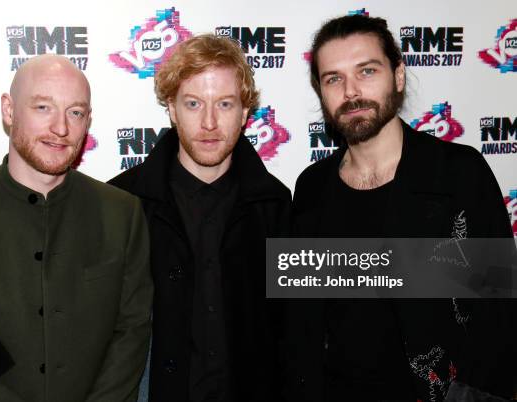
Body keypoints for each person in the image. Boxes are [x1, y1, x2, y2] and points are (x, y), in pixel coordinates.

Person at [286, 14, 515, 402]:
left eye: (367, 71)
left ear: (399, 76)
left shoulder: (459, 173)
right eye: (333, 78)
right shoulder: (310, 187)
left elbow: (499, 313)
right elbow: (301, 322)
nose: (351, 91)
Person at [0, 55, 153, 402]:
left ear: (88, 120)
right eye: (43, 107)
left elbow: (131, 334)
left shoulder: (123, 213)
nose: (60, 128)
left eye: (75, 112)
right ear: (9, 111)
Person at [110, 34, 291, 402]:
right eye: (193, 103)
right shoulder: (122, 203)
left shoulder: (274, 204)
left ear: (244, 114)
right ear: (172, 110)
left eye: (224, 104)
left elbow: (292, 329)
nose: (209, 122)